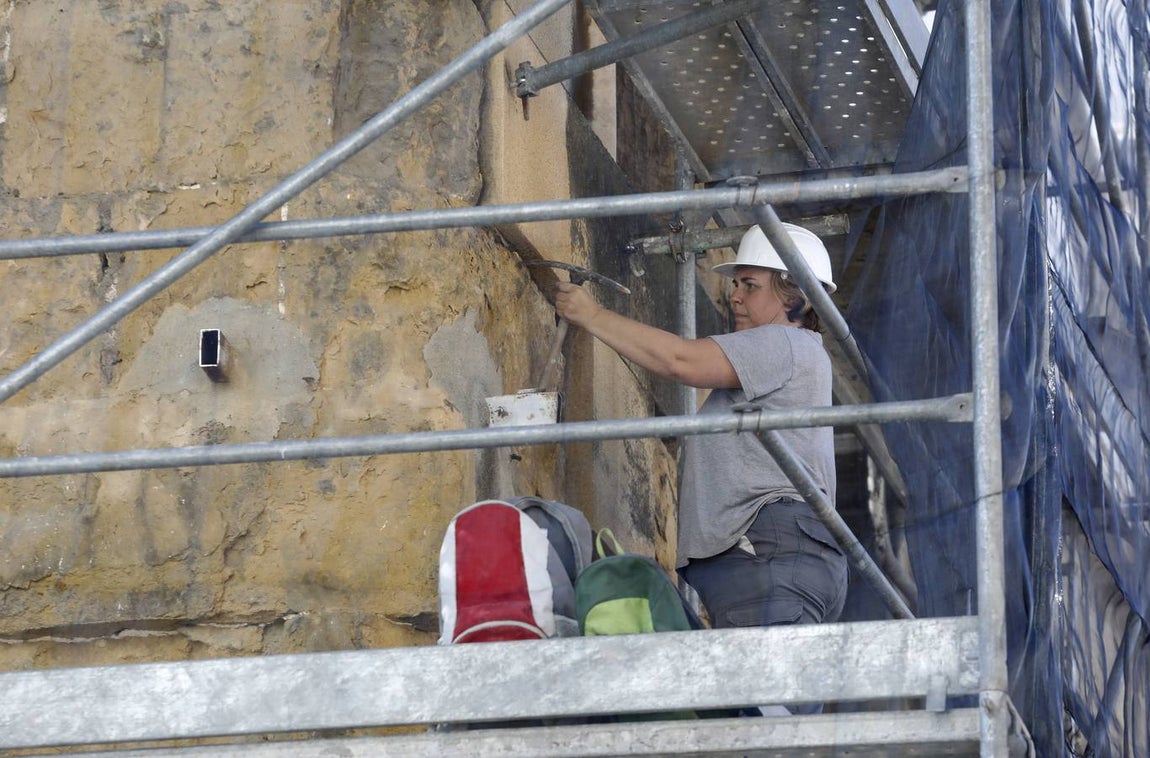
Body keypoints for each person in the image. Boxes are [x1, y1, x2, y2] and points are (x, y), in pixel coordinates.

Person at [554, 223, 848, 632]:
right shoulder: (792, 357)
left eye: (750, 285)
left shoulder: (785, 342)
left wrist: (591, 314)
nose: (735, 296)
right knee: (764, 694)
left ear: (796, 297)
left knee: (766, 692)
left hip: (771, 556)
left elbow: (681, 361)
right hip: (776, 559)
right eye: (735, 284)